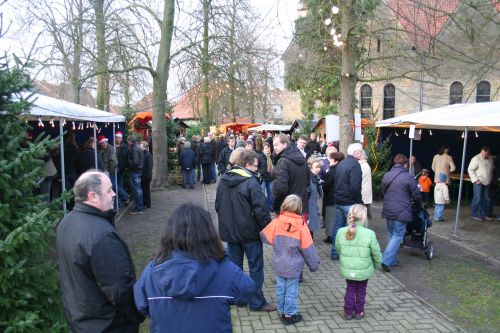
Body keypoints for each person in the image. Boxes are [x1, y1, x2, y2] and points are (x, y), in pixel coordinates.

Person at [134, 204, 256, 333]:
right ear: (209, 233)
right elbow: (247, 293)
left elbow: (142, 306)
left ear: (170, 233)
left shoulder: (152, 271)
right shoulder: (226, 269)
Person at [57, 171, 144, 332]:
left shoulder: (66, 222)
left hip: (81, 320)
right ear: (93, 196)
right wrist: (138, 314)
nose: (114, 194)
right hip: (108, 325)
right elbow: (119, 289)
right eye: (109, 190)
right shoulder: (101, 236)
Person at [215, 149, 275, 312]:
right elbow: (261, 210)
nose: (257, 169)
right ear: (247, 165)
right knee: (255, 268)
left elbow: (217, 206)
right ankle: (257, 302)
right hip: (249, 233)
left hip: (231, 233)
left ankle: (238, 299)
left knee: (235, 268)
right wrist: (269, 230)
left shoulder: (223, 180)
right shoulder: (251, 182)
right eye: (255, 166)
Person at [260, 194, 319, 325]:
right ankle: (289, 315)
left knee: (280, 288)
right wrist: (313, 265)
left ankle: (281, 310)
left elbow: (264, 236)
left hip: (279, 263)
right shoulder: (302, 226)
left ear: (284, 205)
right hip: (294, 266)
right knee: (291, 290)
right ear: (299, 208)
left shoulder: (276, 221)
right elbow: (308, 249)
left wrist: (277, 242)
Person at [336, 204, 382, 320]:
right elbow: (376, 253)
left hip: (348, 267)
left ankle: (348, 312)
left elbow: (338, 249)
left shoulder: (341, 231)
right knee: (361, 289)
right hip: (364, 269)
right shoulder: (370, 234)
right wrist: (377, 265)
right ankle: (359, 312)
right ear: (364, 217)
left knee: (350, 288)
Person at [381, 154, 421, 272]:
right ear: (405, 164)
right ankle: (386, 260)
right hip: (402, 210)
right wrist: (419, 204)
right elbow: (416, 195)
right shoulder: (408, 177)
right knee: (398, 235)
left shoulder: (387, 175)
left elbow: (383, 192)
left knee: (390, 233)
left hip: (388, 208)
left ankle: (392, 260)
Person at [331, 142, 363, 260]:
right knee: (351, 227)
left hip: (339, 200)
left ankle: (335, 251)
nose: (362, 153)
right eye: (360, 151)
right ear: (355, 153)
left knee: (338, 227)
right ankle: (347, 253)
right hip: (349, 202)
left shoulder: (341, 163)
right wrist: (359, 201)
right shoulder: (355, 165)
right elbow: (355, 186)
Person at [272, 134, 309, 215]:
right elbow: (308, 181)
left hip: (289, 207)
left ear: (285, 145)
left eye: (276, 145)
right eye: (273, 145)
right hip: (301, 205)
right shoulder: (301, 157)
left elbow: (280, 189)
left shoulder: (283, 161)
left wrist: (277, 207)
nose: (274, 148)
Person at [322, 151, 345, 243]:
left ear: (336, 161)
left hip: (330, 198)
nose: (329, 160)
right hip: (339, 197)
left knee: (330, 217)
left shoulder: (332, 170)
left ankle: (330, 236)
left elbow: (325, 185)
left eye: (331, 158)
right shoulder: (342, 169)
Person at [468, 146, 494, 222]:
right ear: (481, 152)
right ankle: (474, 214)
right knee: (477, 198)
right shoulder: (475, 159)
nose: (484, 156)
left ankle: (484, 214)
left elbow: (492, 168)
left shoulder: (490, 159)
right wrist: (476, 179)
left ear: (489, 153)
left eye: (486, 154)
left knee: (486, 199)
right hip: (478, 182)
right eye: (483, 154)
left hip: (487, 181)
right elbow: (470, 170)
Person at [127, 135, 144, 214]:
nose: (127, 142)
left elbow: (135, 162)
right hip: (138, 170)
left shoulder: (134, 148)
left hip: (135, 171)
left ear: (130, 141)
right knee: (139, 189)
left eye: (128, 140)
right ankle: (140, 206)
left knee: (137, 190)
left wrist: (129, 168)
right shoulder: (138, 147)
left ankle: (139, 208)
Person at [307, 156, 322, 237]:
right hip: (308, 205)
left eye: (319, 167)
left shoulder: (315, 176)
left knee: (310, 227)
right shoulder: (308, 178)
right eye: (316, 167)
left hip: (312, 204)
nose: (318, 169)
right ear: (310, 166)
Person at [115, 131, 130, 205]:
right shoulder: (112, 145)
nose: (117, 139)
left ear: (121, 139)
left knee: (119, 184)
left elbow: (125, 157)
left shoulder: (124, 146)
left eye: (119, 138)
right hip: (114, 168)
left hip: (121, 167)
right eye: (116, 138)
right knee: (116, 184)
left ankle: (122, 199)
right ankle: (122, 199)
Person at [259, 142, 274, 211]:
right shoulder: (260, 157)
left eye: (268, 148)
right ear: (263, 149)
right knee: (262, 194)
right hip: (262, 178)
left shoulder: (272, 156)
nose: (267, 150)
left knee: (271, 193)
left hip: (271, 178)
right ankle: (263, 208)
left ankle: (270, 207)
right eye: (266, 148)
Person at [359, 151, 373, 219]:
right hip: (365, 193)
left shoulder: (363, 166)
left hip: (363, 193)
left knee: (363, 215)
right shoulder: (365, 165)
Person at [140, 141, 153, 208]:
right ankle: (146, 203)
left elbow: (149, 166)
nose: (139, 146)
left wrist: (148, 176)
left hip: (146, 176)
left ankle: (147, 204)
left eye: (141, 145)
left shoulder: (147, 154)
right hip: (144, 175)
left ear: (144, 146)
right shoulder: (144, 154)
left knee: (146, 190)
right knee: (145, 190)